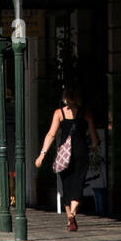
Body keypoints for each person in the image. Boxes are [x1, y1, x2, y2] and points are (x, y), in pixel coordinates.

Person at [35, 87, 98, 231]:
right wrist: (94, 144)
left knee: (67, 186)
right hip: (81, 153)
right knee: (78, 184)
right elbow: (93, 136)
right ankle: (73, 214)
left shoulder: (59, 113)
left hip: (64, 154)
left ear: (65, 97)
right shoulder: (85, 113)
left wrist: (42, 154)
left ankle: (70, 216)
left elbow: (51, 134)